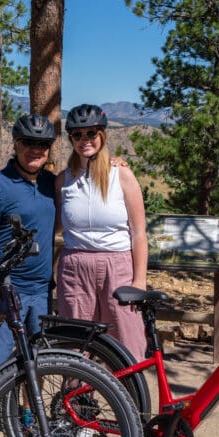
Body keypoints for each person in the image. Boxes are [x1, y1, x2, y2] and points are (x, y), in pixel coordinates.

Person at [55, 104, 148, 361]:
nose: (84, 140)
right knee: (76, 340)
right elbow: (57, 225)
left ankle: (129, 397)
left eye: (91, 133)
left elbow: (139, 233)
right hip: (75, 266)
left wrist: (139, 280)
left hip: (117, 265)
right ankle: (78, 398)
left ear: (102, 135)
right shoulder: (64, 181)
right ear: (71, 138)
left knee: (126, 336)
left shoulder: (122, 175)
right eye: (77, 135)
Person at [0, 113, 57, 388]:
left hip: (41, 289)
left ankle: (28, 418)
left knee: (36, 359)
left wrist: (116, 162)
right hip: (9, 287)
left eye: (42, 144)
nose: (35, 149)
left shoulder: (49, 183)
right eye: (28, 142)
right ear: (16, 143)